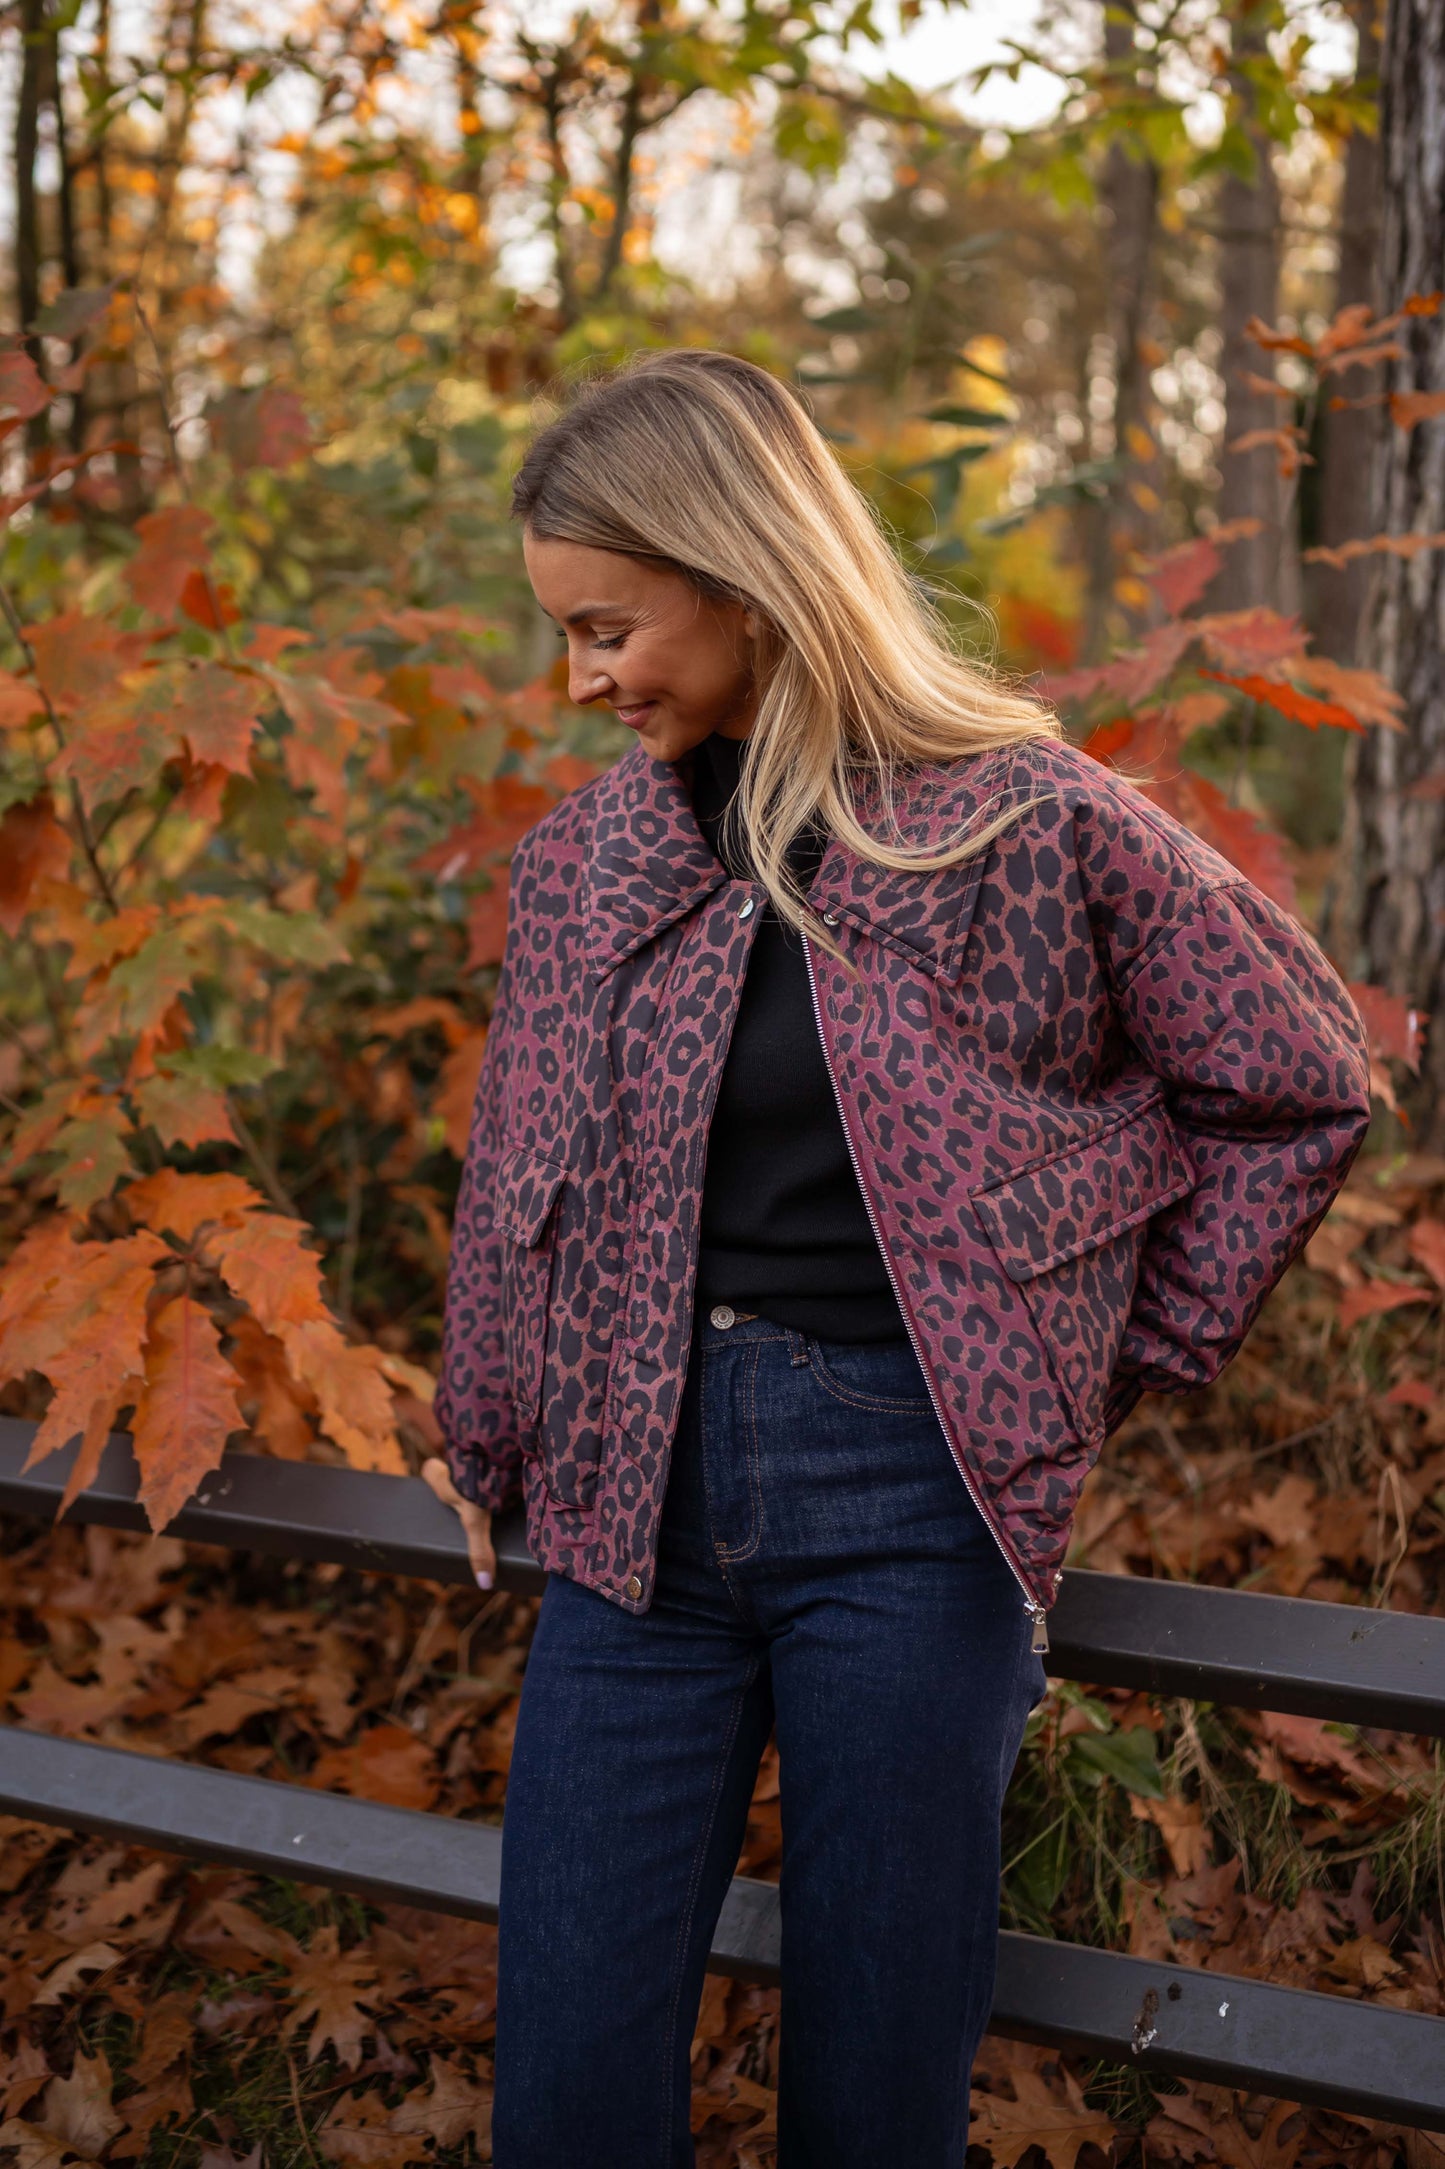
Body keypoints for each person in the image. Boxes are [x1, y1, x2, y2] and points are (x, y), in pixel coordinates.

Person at [422, 349, 1371, 2168]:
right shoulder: (586, 865)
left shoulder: (1024, 828)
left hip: (909, 1510)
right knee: (566, 2077)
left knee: (877, 2085)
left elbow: (1294, 1085)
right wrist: (490, 1433)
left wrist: (1106, 1357)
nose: (581, 678)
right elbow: (518, 1169)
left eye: (608, 625)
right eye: (564, 634)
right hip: (627, 1514)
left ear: (739, 569)